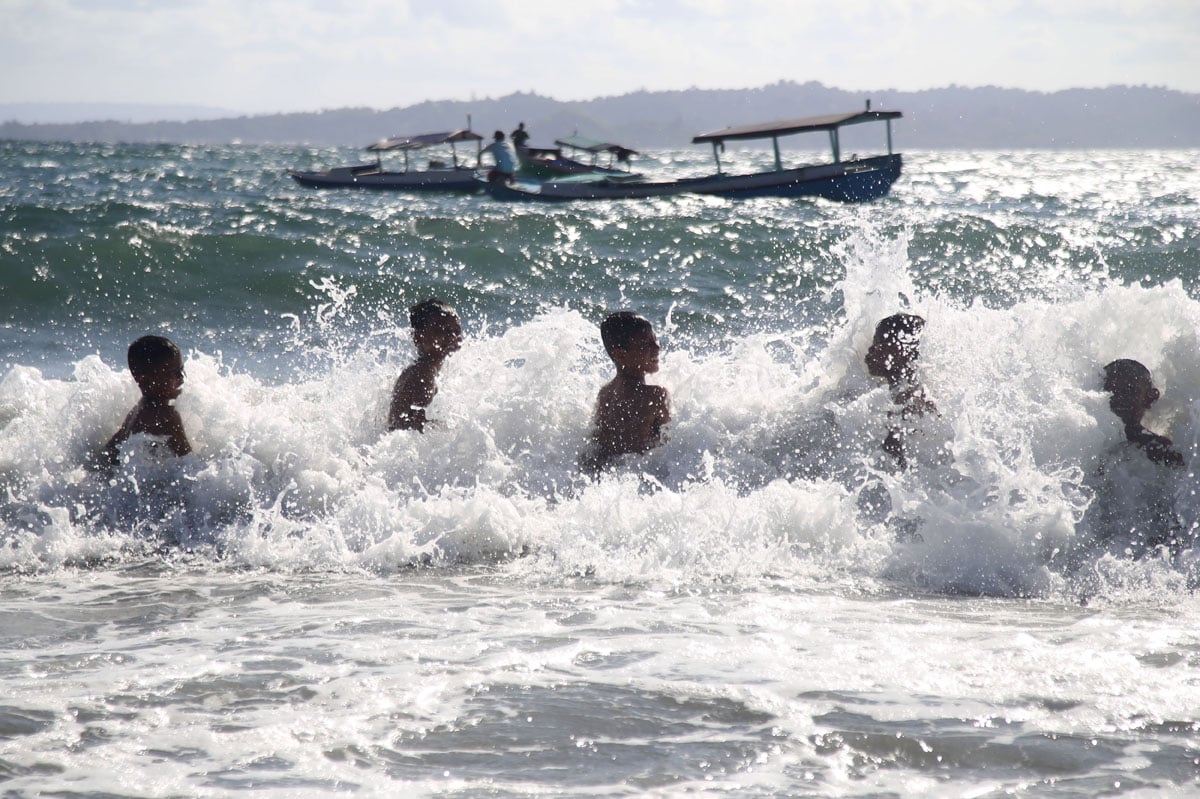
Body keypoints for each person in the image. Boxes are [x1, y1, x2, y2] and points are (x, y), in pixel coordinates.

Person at [581, 312, 671, 473]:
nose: (657, 347)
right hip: (638, 477)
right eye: (646, 344)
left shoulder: (605, 393)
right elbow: (674, 445)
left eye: (655, 340)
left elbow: (598, 443)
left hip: (608, 474)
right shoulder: (655, 396)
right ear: (621, 355)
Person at [103, 335, 192, 464]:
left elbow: (110, 450)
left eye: (181, 369)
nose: (181, 377)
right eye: (173, 372)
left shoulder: (140, 409)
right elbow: (190, 463)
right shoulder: (167, 415)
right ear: (145, 380)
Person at [865, 313, 936, 470]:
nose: (871, 351)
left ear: (901, 352)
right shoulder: (894, 388)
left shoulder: (912, 396)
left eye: (879, 345)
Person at [388, 299, 463, 432]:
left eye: (456, 331)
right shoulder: (423, 373)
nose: (452, 336)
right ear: (418, 337)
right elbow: (419, 428)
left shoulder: (421, 370)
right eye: (441, 330)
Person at [1101, 359, 1184, 467]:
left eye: (1130, 390)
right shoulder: (1086, 437)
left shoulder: (1160, 449)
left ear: (1149, 398)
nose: (1120, 397)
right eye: (1111, 389)